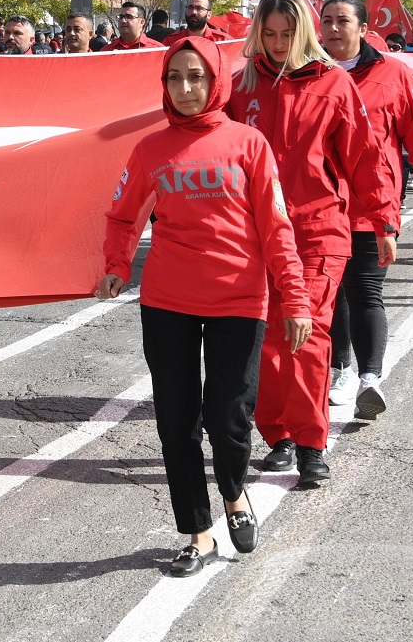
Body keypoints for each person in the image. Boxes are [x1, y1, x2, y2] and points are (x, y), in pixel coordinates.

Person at [98, 35, 307, 577]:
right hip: (168, 300)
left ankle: (235, 494)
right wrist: (118, 265)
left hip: (239, 297)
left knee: (228, 416)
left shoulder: (248, 144)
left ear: (216, 81)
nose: (186, 88)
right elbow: (123, 215)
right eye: (175, 78)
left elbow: (276, 224)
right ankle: (198, 532)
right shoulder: (149, 148)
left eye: (197, 77)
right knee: (176, 421)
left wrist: (295, 296)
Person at [229, 0, 398, 486]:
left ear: (305, 32)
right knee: (269, 337)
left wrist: (384, 219)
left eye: (288, 33)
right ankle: (278, 435)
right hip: (256, 234)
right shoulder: (242, 88)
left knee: (309, 332)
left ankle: (310, 443)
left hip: (320, 230)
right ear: (258, 32)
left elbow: (366, 159)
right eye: (270, 34)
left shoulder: (333, 86)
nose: (279, 44)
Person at [319, 0, 413, 417]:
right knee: (332, 291)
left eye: (343, 21)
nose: (334, 29)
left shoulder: (392, 73)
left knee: (366, 291)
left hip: (372, 205)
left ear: (363, 27)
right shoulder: (307, 73)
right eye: (326, 21)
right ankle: (339, 367)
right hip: (319, 205)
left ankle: (369, 379)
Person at [162, 0, 228, 45]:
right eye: (190, 7)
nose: (193, 12)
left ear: (209, 14)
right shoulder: (171, 41)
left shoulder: (223, 41)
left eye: (199, 8)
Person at [99, 3, 163, 51]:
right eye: (121, 17)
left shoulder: (157, 50)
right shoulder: (107, 51)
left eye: (129, 17)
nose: (123, 21)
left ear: (141, 22)